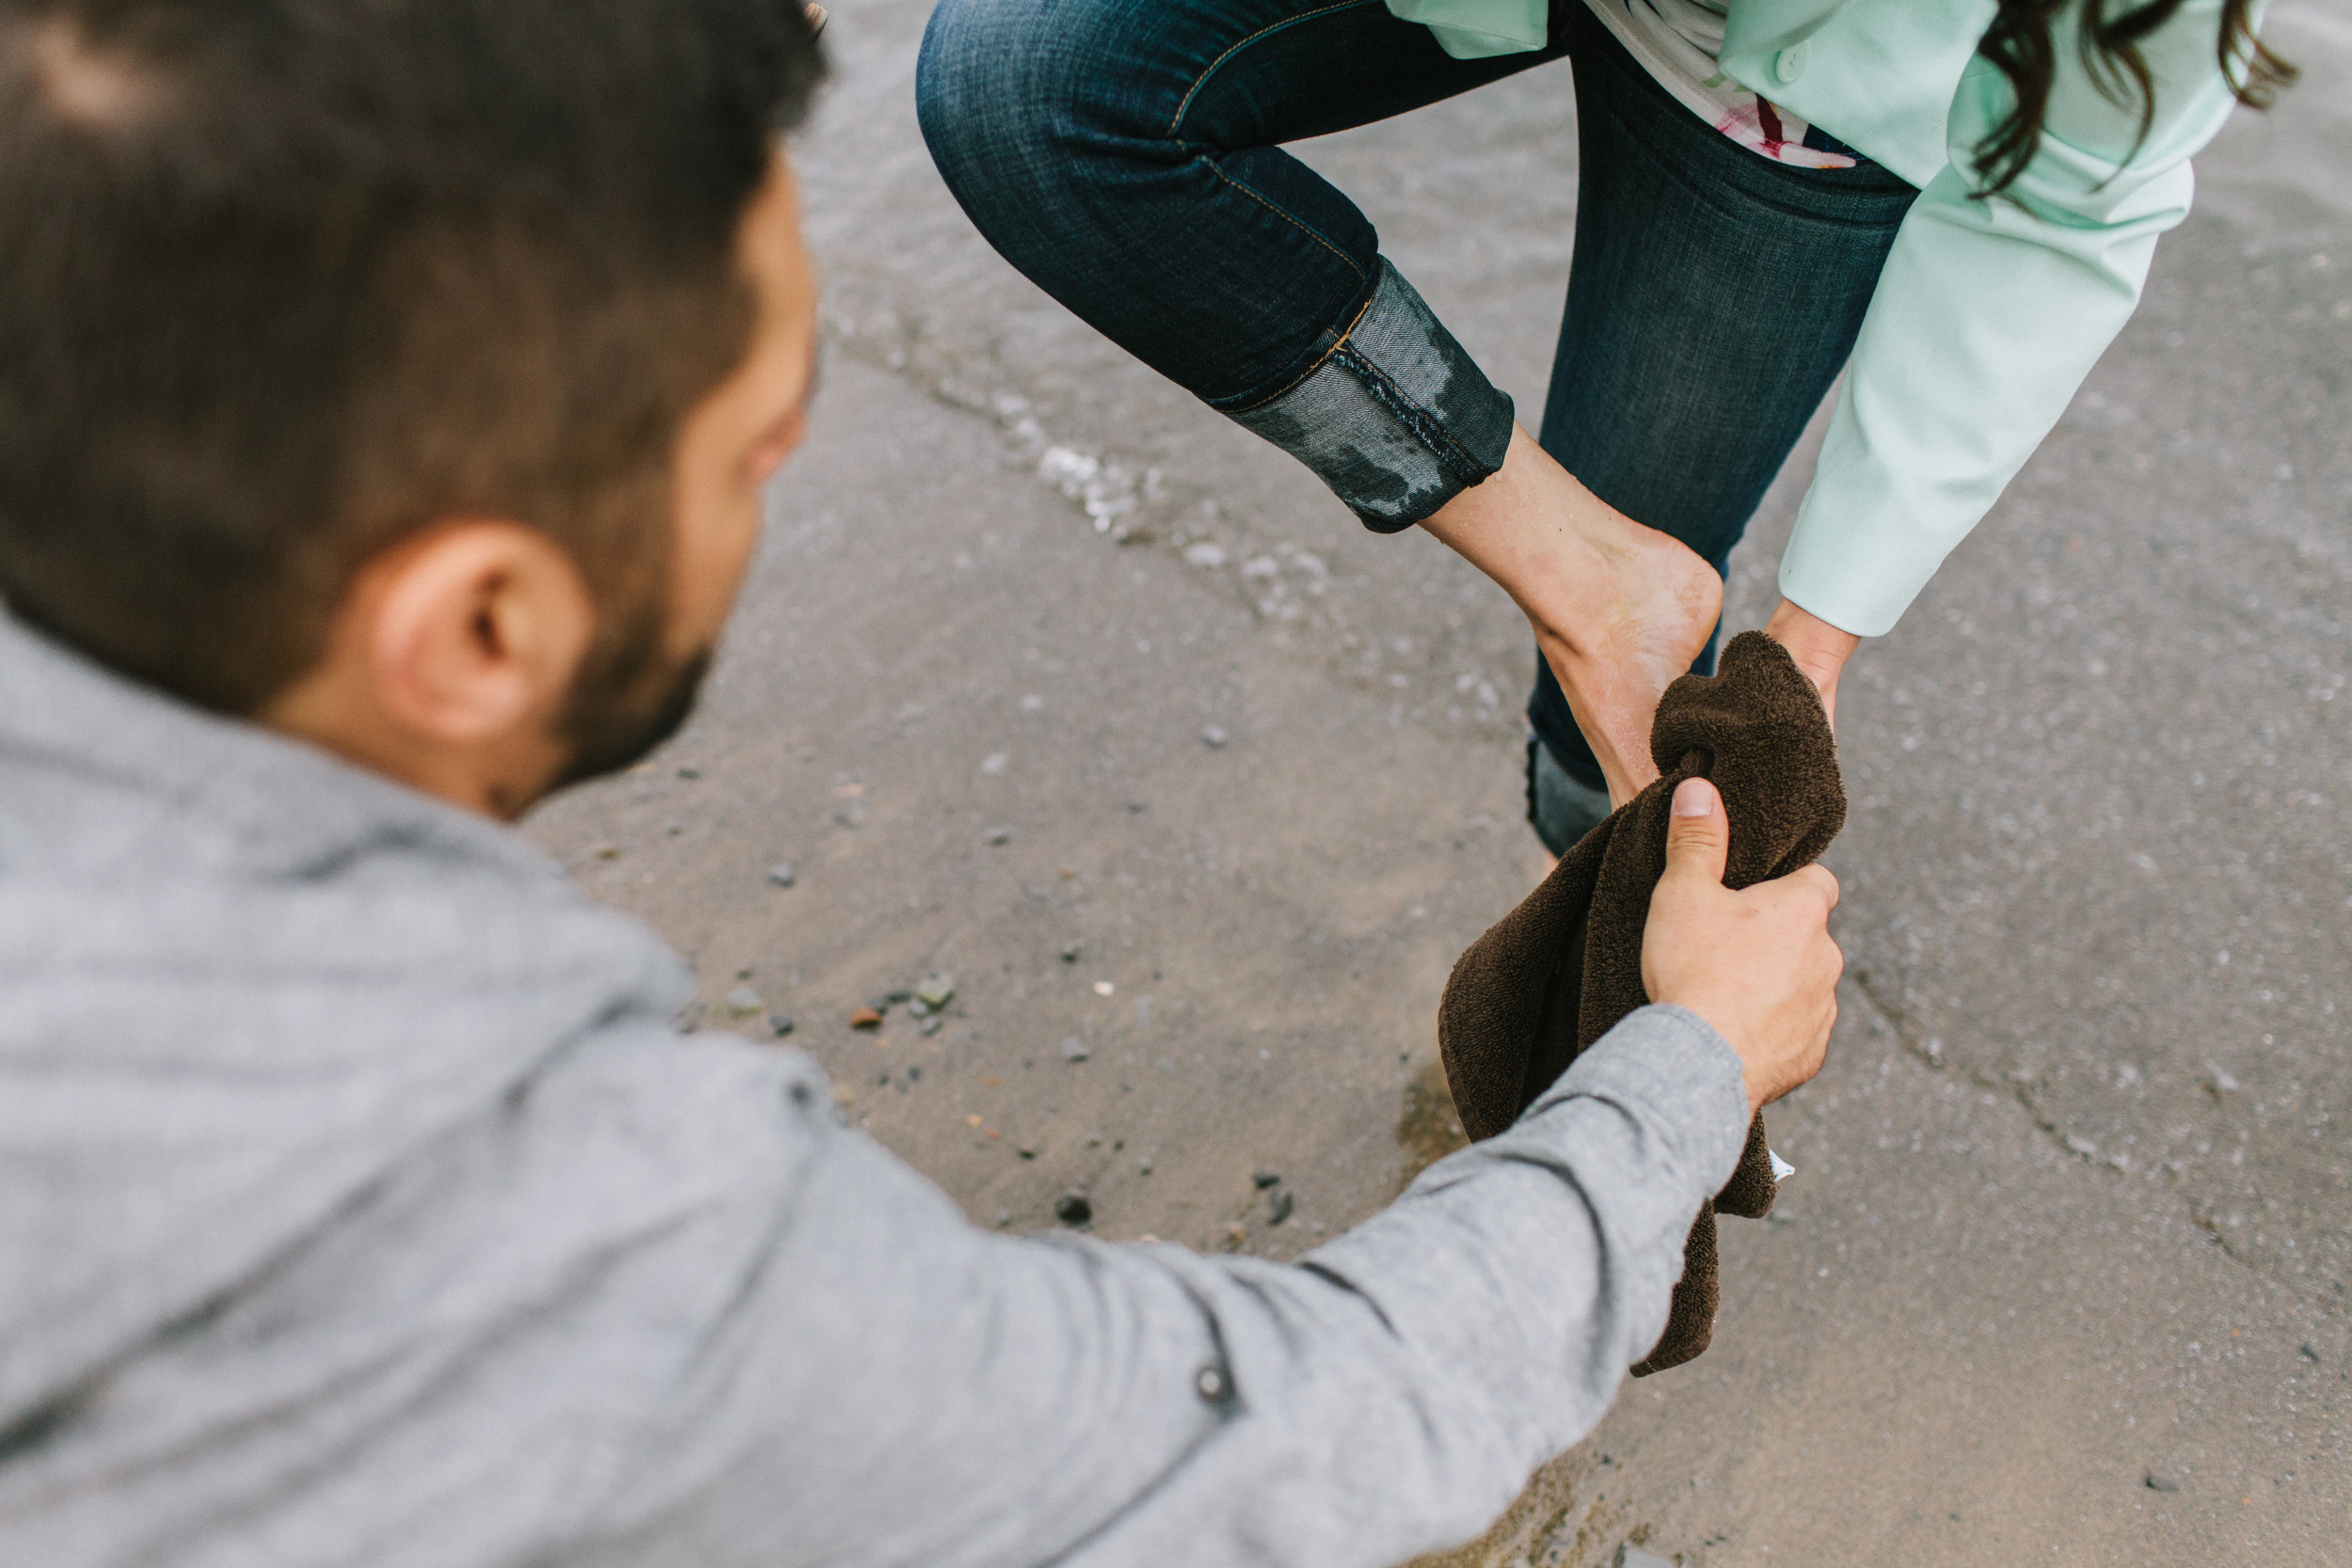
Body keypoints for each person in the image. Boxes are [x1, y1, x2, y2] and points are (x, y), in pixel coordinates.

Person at [0, 3, 1843, 1563]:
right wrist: (1682, 1072)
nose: (800, 438)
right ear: (480, 629)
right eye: (750, 430)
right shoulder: (556, 1245)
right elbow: (1278, 1429)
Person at [915, 0, 2293, 851]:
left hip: (1792, 107)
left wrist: (1813, 646)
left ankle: (1609, 1020)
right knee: (1023, 93)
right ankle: (1595, 578)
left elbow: (2069, 206)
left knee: (1631, 736)